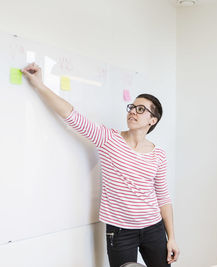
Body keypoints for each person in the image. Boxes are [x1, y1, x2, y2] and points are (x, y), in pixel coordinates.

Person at [21, 63, 179, 267]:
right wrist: (39, 85)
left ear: (152, 120)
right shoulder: (108, 139)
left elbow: (163, 197)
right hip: (121, 232)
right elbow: (71, 115)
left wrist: (171, 237)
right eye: (132, 107)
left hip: (154, 229)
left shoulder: (158, 154)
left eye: (141, 109)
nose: (133, 112)